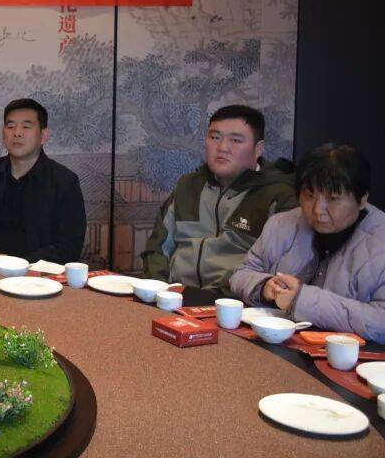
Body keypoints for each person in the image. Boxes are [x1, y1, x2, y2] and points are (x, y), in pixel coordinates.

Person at [141, 105, 298, 302]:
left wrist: (206, 298)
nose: (222, 147)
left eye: (235, 140)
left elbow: (277, 271)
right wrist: (159, 288)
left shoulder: (277, 196)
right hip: (172, 298)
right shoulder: (188, 186)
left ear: (258, 149)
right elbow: (156, 248)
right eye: (215, 137)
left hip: (234, 305)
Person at [230, 144, 385, 343]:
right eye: (309, 196)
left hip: (351, 355)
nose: (318, 209)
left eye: (333, 199)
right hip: (278, 343)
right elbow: (241, 273)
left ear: (362, 199)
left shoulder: (379, 241)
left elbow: (380, 321)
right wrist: (264, 287)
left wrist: (301, 300)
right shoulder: (281, 224)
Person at [0, 99, 86, 263]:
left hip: (39, 275)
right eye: (10, 126)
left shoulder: (64, 181)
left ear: (43, 136)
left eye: (26, 126)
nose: (17, 133)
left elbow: (70, 247)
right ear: (3, 134)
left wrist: (18, 264)